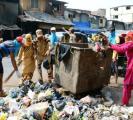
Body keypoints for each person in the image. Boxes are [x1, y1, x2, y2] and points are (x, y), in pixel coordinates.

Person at [109, 31, 133, 106]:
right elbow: (120, 46)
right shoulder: (129, 43)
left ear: (129, 37)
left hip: (131, 68)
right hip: (130, 67)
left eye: (126, 37)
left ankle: (125, 103)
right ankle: (126, 102)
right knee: (129, 85)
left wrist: (111, 46)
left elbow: (121, 49)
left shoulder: (131, 43)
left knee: (126, 85)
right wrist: (112, 45)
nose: (124, 38)